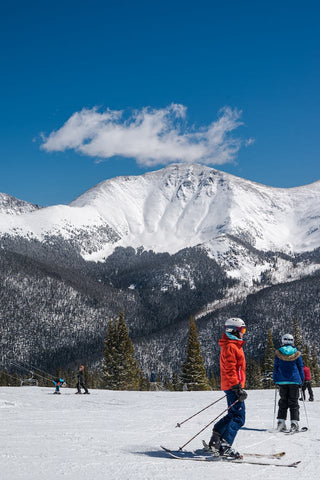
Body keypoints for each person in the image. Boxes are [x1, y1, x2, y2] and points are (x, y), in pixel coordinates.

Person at [207, 317, 247, 459]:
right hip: (233, 386)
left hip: (232, 385)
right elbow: (230, 369)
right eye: (242, 330)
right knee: (238, 418)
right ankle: (225, 445)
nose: (244, 333)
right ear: (234, 331)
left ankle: (216, 438)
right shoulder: (231, 346)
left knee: (232, 415)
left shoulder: (233, 344)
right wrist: (237, 387)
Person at [273, 333, 304, 432]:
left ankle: (281, 422)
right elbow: (300, 367)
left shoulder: (278, 353)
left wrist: (275, 379)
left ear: (283, 341)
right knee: (293, 402)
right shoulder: (297, 353)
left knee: (283, 401)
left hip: (282, 381)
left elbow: (276, 367)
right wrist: (302, 379)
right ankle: (294, 423)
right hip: (294, 381)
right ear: (292, 341)